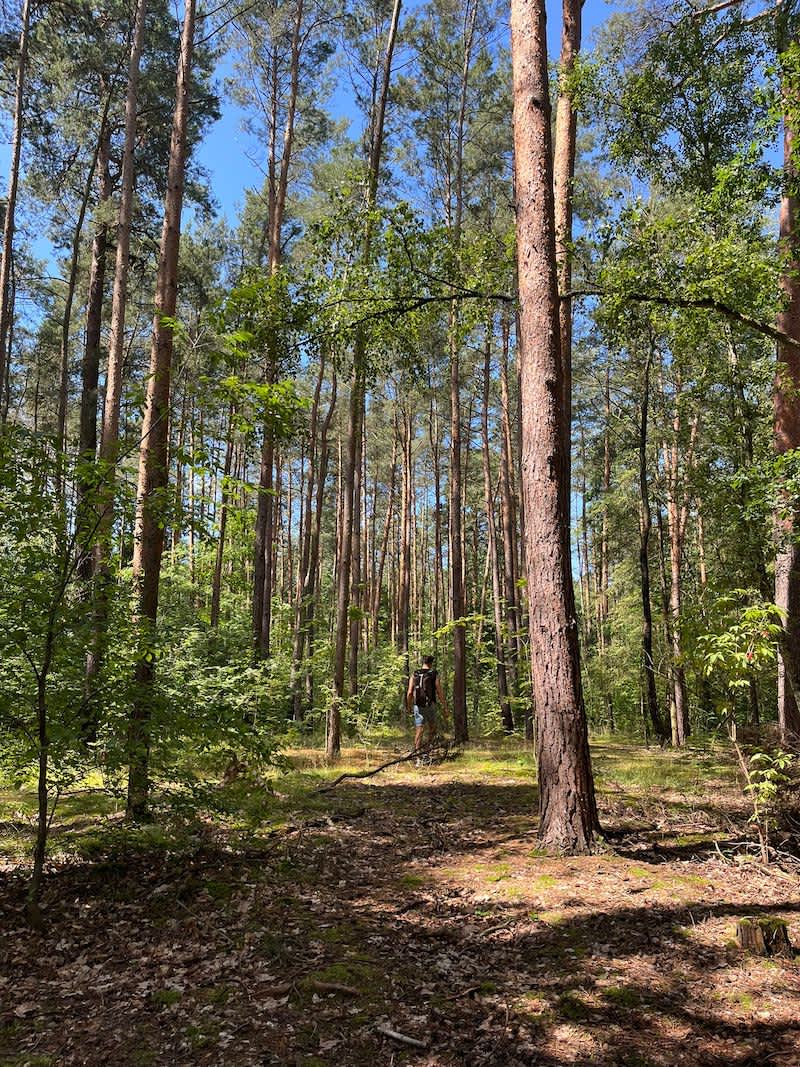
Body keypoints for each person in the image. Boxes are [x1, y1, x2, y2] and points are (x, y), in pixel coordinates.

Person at [407, 654, 449, 752]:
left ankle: (416, 753)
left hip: (418, 705)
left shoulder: (415, 674)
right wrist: (445, 706)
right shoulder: (433, 674)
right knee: (432, 728)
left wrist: (409, 706)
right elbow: (439, 691)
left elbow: (409, 692)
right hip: (431, 704)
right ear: (431, 663)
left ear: (423, 662)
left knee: (419, 729)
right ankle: (428, 749)